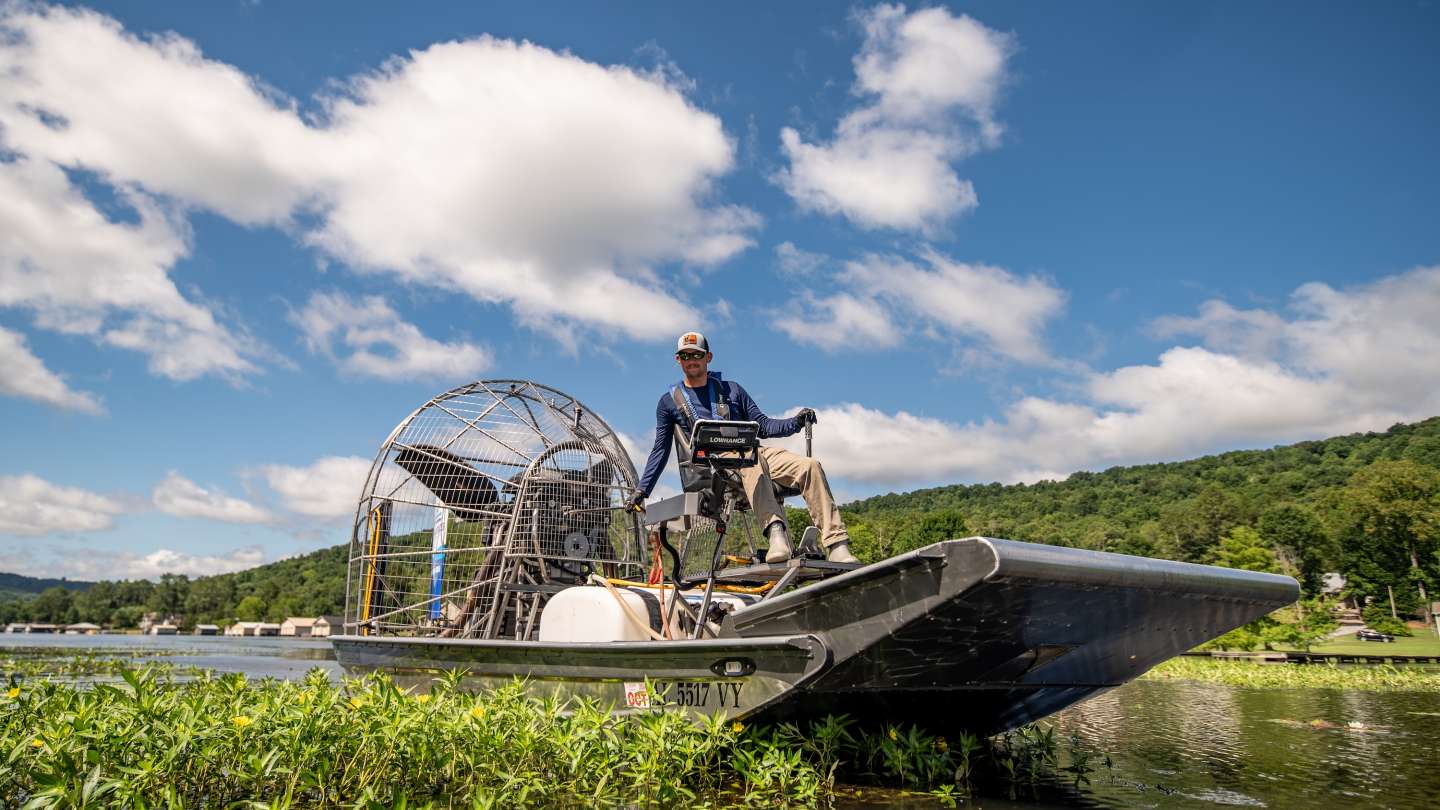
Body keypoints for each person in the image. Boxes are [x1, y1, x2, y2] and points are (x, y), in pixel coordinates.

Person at [626, 331, 860, 564]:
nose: (691, 360)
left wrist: (795, 422)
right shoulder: (669, 401)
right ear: (678, 360)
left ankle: (836, 544)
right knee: (749, 460)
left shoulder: (732, 390)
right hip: (715, 465)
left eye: (696, 354)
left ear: (708, 357)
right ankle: (776, 534)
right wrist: (642, 490)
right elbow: (660, 449)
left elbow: (763, 425)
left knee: (809, 466)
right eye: (685, 356)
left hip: (754, 451)